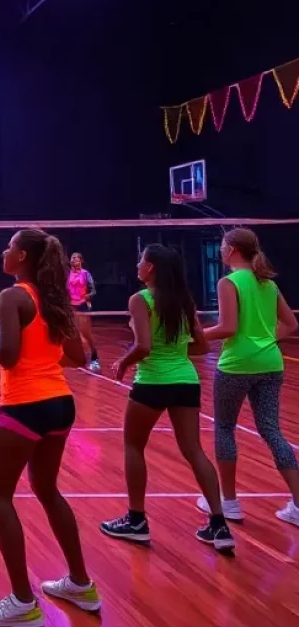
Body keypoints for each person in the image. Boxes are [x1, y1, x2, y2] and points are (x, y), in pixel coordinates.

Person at [0, 229, 99, 627]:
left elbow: (6, 355)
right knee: (48, 491)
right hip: (60, 404)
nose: (4, 250)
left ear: (22, 255)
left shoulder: (13, 297)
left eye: (9, 246)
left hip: (24, 406)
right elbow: (78, 356)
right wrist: (44, 354)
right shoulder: (52, 299)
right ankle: (81, 584)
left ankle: (22, 603)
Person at [100, 244, 234, 550]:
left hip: (153, 381)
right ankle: (219, 525)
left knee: (134, 446)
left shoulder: (140, 299)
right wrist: (173, 354)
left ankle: (136, 521)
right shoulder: (184, 301)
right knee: (194, 451)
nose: (138, 264)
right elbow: (200, 346)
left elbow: (144, 346)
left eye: (142, 261)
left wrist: (123, 361)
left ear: (151, 268)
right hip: (186, 380)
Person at [200, 228, 299, 528]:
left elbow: (227, 327)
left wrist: (194, 336)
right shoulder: (267, 283)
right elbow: (291, 323)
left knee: (225, 428)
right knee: (272, 431)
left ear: (231, 250)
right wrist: (267, 342)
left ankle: (228, 502)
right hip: (270, 364)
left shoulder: (229, 281)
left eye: (221, 245)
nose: (219, 249)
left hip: (237, 365)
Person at [68, 252, 100, 371]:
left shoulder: (86, 274)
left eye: (76, 258)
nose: (74, 260)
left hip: (82, 305)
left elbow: (93, 291)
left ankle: (94, 357)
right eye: (72, 258)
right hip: (71, 306)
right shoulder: (67, 274)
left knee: (86, 334)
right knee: (72, 334)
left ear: (81, 260)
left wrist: (88, 296)